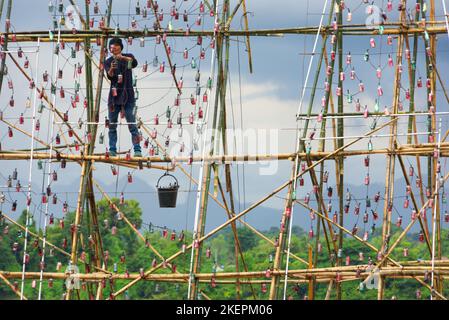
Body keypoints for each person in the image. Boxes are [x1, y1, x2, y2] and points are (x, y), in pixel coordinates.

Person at [104, 37, 142, 157]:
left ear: (120, 46)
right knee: (112, 125)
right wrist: (112, 68)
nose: (113, 48)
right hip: (114, 98)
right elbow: (109, 76)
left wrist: (123, 58)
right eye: (111, 46)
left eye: (115, 45)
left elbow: (134, 63)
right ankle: (112, 149)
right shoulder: (108, 61)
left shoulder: (128, 57)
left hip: (128, 96)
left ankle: (137, 149)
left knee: (132, 124)